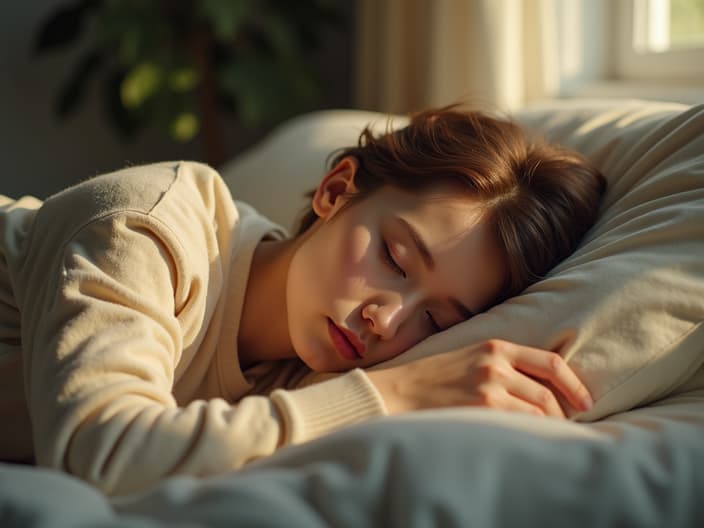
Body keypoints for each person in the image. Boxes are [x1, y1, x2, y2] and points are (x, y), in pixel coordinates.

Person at [0, 106, 606, 496]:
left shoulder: (310, 374)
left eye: (437, 319)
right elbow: (97, 455)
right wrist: (396, 393)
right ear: (335, 190)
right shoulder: (144, 227)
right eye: (394, 258)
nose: (387, 320)